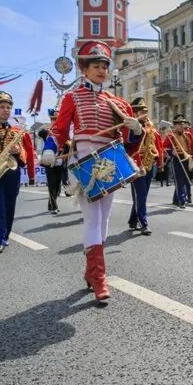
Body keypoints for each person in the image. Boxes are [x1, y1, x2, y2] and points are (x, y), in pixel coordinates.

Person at [43, 42, 142, 299]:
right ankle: (99, 277)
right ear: (83, 69)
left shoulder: (117, 102)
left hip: (109, 162)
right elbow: (59, 128)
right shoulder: (72, 97)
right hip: (85, 162)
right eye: (95, 66)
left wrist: (136, 130)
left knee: (106, 217)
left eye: (104, 66)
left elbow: (128, 143)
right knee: (93, 218)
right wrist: (50, 148)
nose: (101, 71)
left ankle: (92, 271)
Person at [0, 91, 36, 253]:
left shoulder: (17, 131)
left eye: (8, 107)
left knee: (10, 206)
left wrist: (18, 152)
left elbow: (26, 156)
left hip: (11, 172)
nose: (6, 110)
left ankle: (6, 235)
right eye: (2, 107)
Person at [126, 98, 163, 235]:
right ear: (134, 114)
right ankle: (144, 223)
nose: (145, 114)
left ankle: (132, 221)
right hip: (135, 165)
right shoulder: (130, 128)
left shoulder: (150, 127)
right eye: (142, 112)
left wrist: (158, 160)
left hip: (148, 163)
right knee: (140, 195)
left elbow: (156, 143)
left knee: (142, 195)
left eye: (146, 111)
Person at [165, 116, 193, 208]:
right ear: (175, 126)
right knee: (179, 180)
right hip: (176, 159)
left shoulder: (188, 135)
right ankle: (181, 201)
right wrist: (171, 152)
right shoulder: (171, 135)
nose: (181, 126)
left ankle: (176, 200)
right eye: (179, 124)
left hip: (187, 158)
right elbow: (164, 147)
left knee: (183, 180)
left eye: (182, 124)